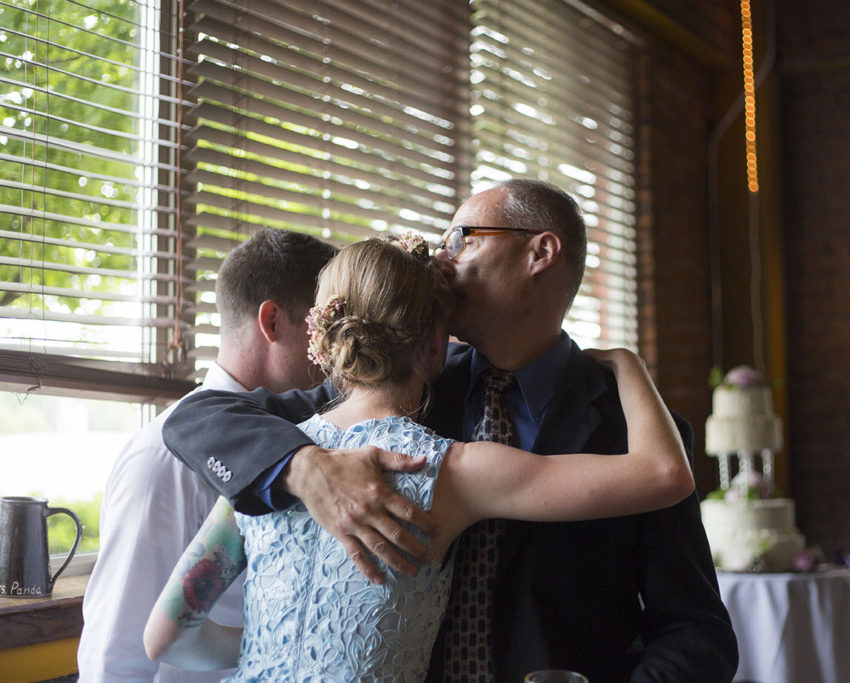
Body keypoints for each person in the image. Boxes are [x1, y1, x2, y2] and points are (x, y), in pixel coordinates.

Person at [163, 179, 739, 682]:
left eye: (462, 237)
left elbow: (696, 631)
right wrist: (304, 467)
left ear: (540, 251)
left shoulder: (640, 431)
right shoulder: (396, 386)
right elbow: (197, 416)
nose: (442, 258)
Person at [77, 229, 338, 682]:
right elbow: (114, 655)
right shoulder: (162, 460)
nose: (334, 352)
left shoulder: (311, 443)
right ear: (272, 322)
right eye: (325, 329)